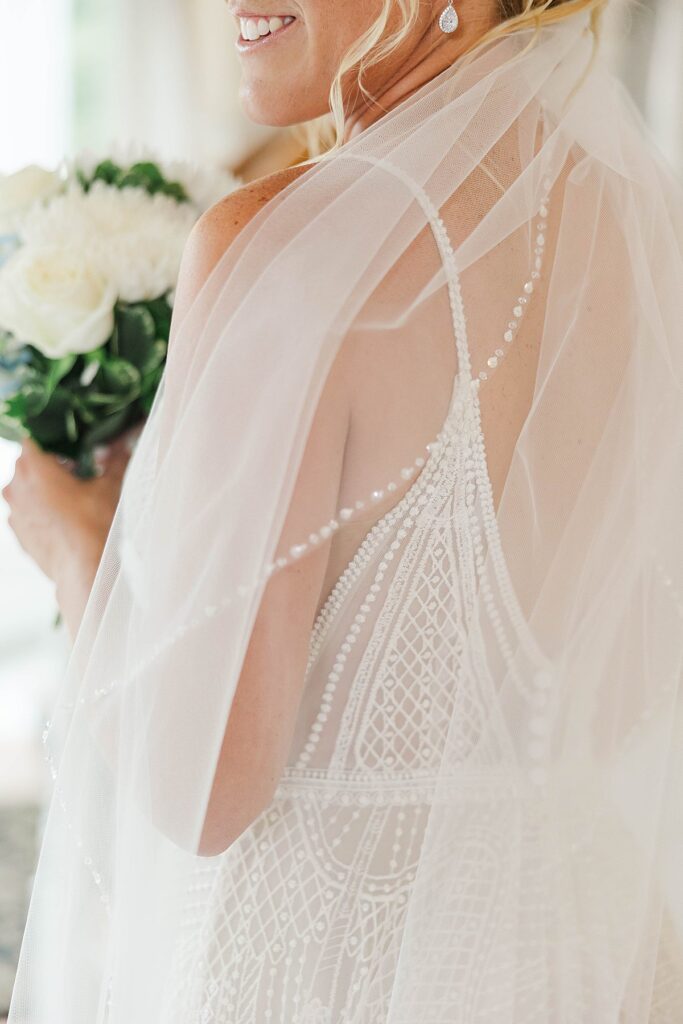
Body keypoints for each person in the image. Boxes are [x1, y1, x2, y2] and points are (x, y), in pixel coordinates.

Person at [5, 1, 683, 1021]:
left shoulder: (273, 245)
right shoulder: (635, 224)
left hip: (328, 975)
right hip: (592, 957)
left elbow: (205, 789)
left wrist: (74, 540)